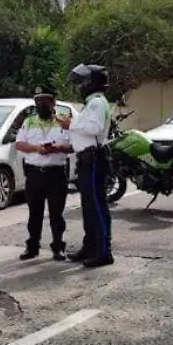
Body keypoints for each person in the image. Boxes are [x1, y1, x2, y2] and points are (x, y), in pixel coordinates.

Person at [59, 63, 114, 268]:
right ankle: (90, 246)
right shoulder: (92, 103)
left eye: (82, 82)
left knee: (97, 207)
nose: (79, 86)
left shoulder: (97, 103)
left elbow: (94, 128)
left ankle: (103, 252)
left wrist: (70, 124)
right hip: (86, 159)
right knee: (89, 207)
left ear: (91, 83)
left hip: (94, 159)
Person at [15, 86, 72, 261]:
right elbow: (19, 144)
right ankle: (32, 247)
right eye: (37, 101)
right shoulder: (29, 121)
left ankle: (58, 247)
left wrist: (56, 148)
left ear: (53, 102)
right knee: (34, 213)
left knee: (57, 213)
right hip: (34, 174)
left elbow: (73, 145)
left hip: (56, 174)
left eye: (44, 101)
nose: (41, 104)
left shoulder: (64, 121)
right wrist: (36, 148)